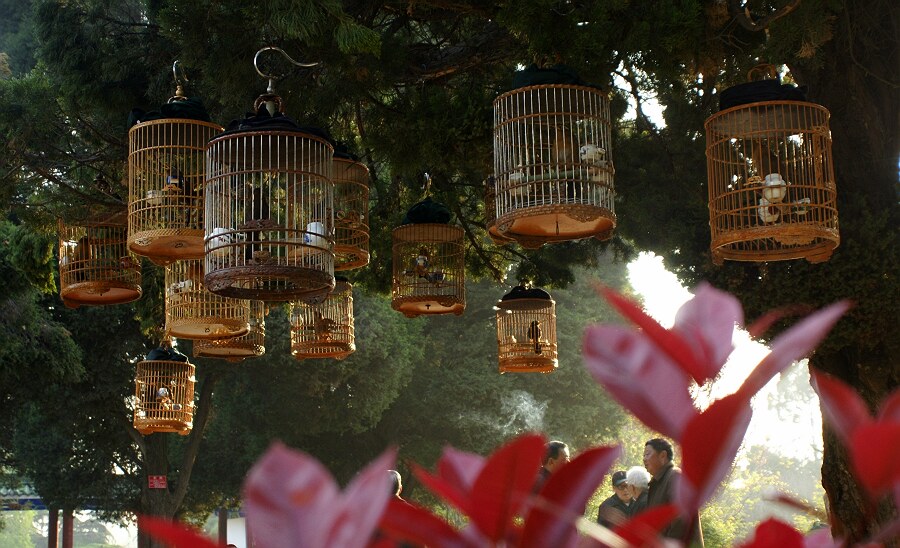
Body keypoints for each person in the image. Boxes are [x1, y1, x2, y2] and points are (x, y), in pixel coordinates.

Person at [643, 438, 704, 546]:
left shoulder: (675, 477)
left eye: (647, 454)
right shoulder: (656, 482)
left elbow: (681, 519)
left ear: (662, 455)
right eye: (643, 455)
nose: (644, 459)